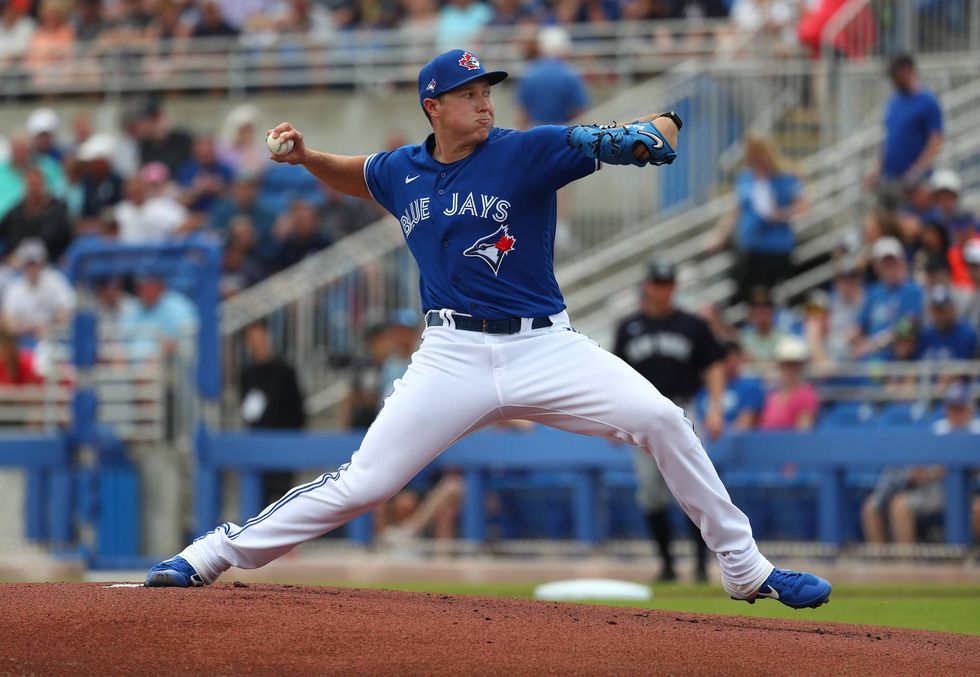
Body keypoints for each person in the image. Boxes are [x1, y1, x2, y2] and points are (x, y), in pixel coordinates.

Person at [146, 48, 831, 610]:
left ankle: (744, 568)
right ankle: (209, 555)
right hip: (452, 354)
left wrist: (654, 131)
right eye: (470, 92)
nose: (485, 101)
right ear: (433, 107)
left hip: (545, 344)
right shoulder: (400, 171)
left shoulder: (523, 151)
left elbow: (652, 127)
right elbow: (358, 177)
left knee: (661, 417)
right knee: (366, 482)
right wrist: (306, 158)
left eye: (488, 90)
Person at [613, 258, 724, 583]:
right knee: (650, 490)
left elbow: (714, 365)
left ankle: (702, 566)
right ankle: (666, 565)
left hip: (683, 408)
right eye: (657, 283)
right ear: (647, 285)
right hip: (640, 412)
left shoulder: (692, 325)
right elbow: (616, 375)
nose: (663, 290)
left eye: (668, 284)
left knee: (693, 485)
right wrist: (612, 418)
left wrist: (716, 408)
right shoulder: (629, 326)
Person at [862, 381, 980, 544]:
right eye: (952, 408)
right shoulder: (938, 429)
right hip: (938, 490)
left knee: (977, 508)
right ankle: (906, 563)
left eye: (959, 408)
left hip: (971, 491)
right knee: (899, 505)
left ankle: (972, 558)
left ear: (969, 409)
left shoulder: (976, 430)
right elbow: (923, 466)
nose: (955, 413)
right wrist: (925, 473)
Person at [711, 134, 807, 303]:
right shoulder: (746, 178)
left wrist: (782, 214)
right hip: (750, 246)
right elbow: (736, 211)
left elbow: (803, 205)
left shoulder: (785, 176)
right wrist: (720, 236)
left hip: (775, 247)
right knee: (743, 292)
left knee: (769, 296)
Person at [239, 321, 307, 506]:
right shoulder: (246, 374)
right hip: (258, 443)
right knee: (259, 500)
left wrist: (292, 440)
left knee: (284, 499)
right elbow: (247, 410)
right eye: (252, 337)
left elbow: (297, 408)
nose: (257, 341)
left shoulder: (284, 371)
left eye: (260, 335)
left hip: (284, 441)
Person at [865, 54, 943, 202]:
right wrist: (875, 169)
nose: (892, 80)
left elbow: (935, 141)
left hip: (913, 183)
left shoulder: (927, 102)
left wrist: (916, 172)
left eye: (895, 75)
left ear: (907, 71)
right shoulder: (894, 102)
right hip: (889, 179)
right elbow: (888, 140)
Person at [851, 236, 924, 360]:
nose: (891, 267)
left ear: (902, 262)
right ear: (877, 267)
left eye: (893, 262)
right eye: (886, 263)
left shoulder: (913, 291)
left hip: (899, 360)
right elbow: (859, 325)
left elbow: (908, 325)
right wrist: (849, 340)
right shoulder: (873, 293)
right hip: (872, 360)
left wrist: (874, 344)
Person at [1, 238, 76, 343]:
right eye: (28, 264)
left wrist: (49, 326)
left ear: (43, 263)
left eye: (35, 264)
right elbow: (7, 322)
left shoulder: (56, 280)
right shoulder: (14, 286)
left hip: (53, 337)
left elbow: (68, 312)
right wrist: (32, 328)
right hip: (23, 340)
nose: (32, 268)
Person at [517, 26, 589, 129]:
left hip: (536, 132)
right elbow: (579, 111)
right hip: (564, 134)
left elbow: (523, 113)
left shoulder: (529, 73)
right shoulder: (570, 74)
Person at [0, 166, 73, 264]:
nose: (34, 188)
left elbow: (50, 237)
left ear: (43, 185)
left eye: (37, 184)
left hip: (50, 262)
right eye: (31, 184)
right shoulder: (17, 210)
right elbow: (4, 230)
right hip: (16, 262)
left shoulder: (56, 209)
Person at [695, 339, 764, 432]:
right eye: (724, 360)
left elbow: (744, 425)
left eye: (734, 358)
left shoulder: (750, 387)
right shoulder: (703, 390)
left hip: (735, 443)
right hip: (701, 439)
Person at [758, 335, 820, 431]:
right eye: (785, 365)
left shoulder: (807, 395)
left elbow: (803, 434)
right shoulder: (771, 395)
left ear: (801, 367)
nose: (789, 370)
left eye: (794, 365)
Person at [919, 285, 978, 362]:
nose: (939, 315)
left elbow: (960, 369)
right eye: (936, 310)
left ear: (953, 309)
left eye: (942, 310)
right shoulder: (927, 334)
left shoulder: (967, 334)